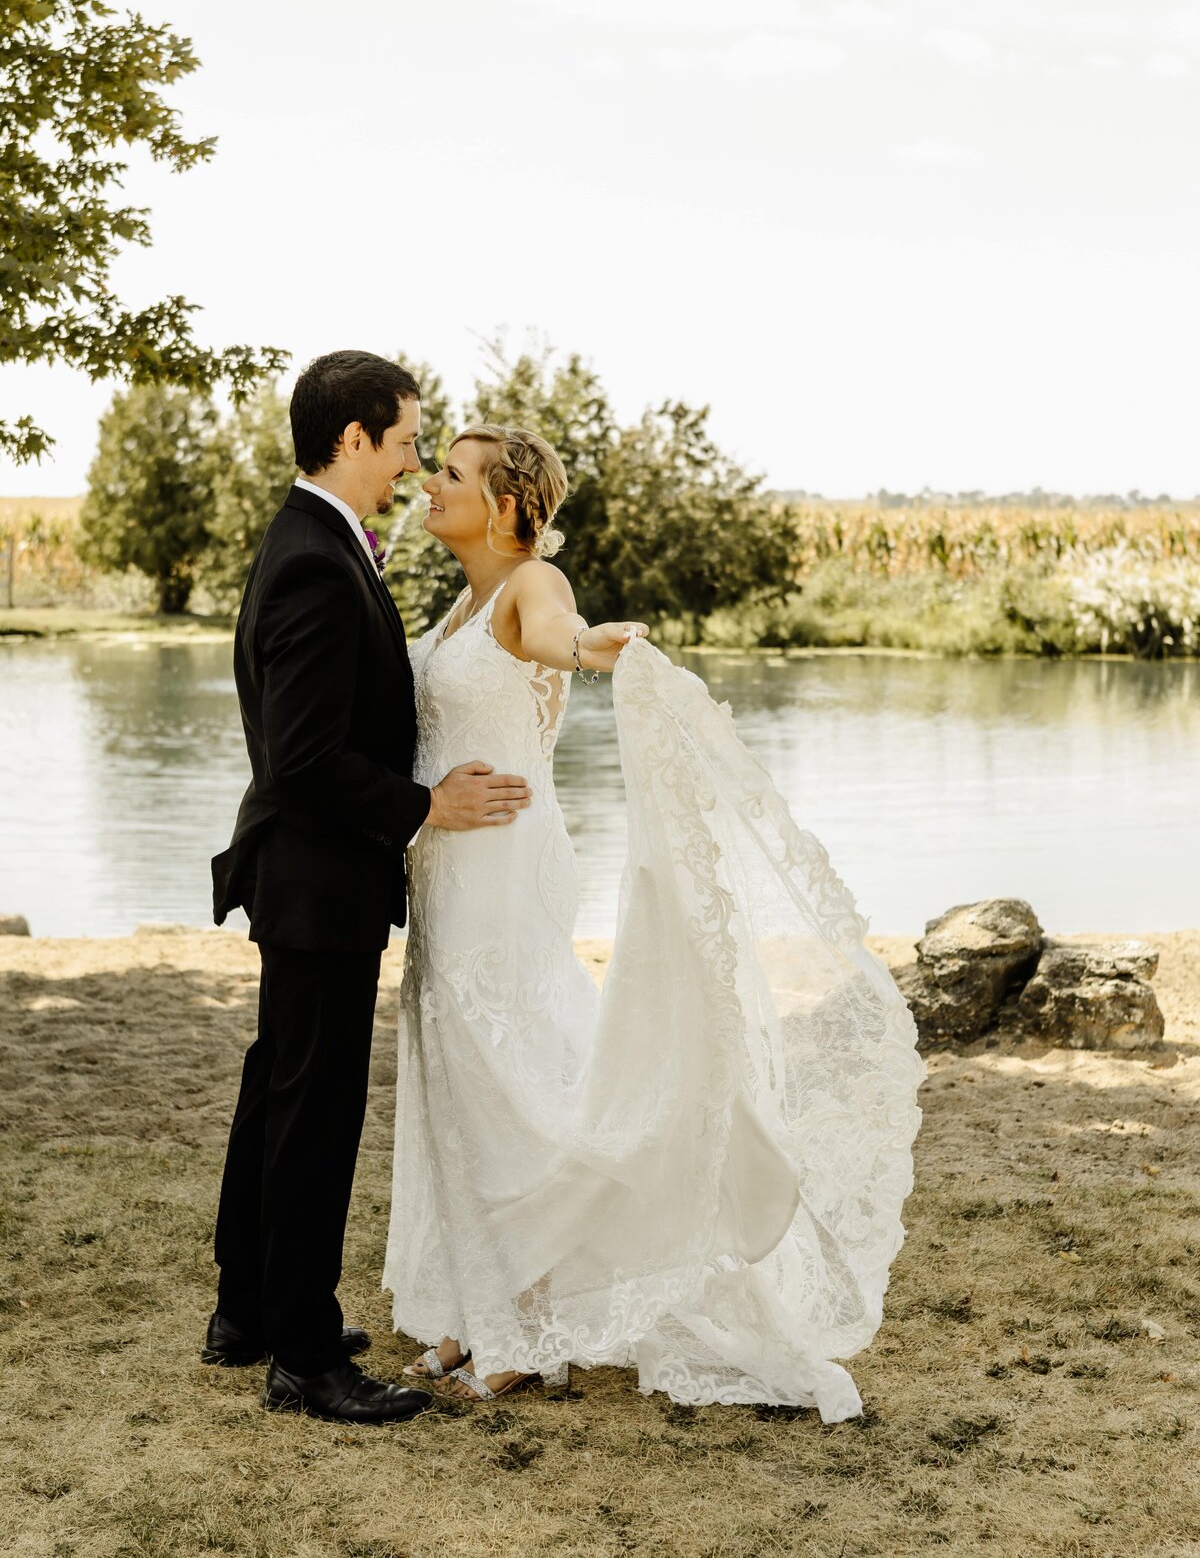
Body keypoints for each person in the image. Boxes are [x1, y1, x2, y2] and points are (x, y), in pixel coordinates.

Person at [383, 425, 925, 1420]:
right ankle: (475, 1303)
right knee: (461, 1077)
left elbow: (565, 641)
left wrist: (603, 648)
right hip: (449, 864)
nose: (430, 482)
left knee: (509, 1081)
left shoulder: (529, 587)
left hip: (503, 864)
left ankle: (523, 1328)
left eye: (450, 474)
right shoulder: (460, 598)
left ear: (509, 508)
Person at [205, 351, 533, 1426]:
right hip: (317, 880)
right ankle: (302, 1357)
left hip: (310, 879)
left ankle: (250, 1309)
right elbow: (299, 759)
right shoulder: (312, 557)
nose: (409, 465)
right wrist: (421, 805)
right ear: (353, 438)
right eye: (402, 443)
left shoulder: (317, 541)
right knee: (313, 1111)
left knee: (279, 1090)